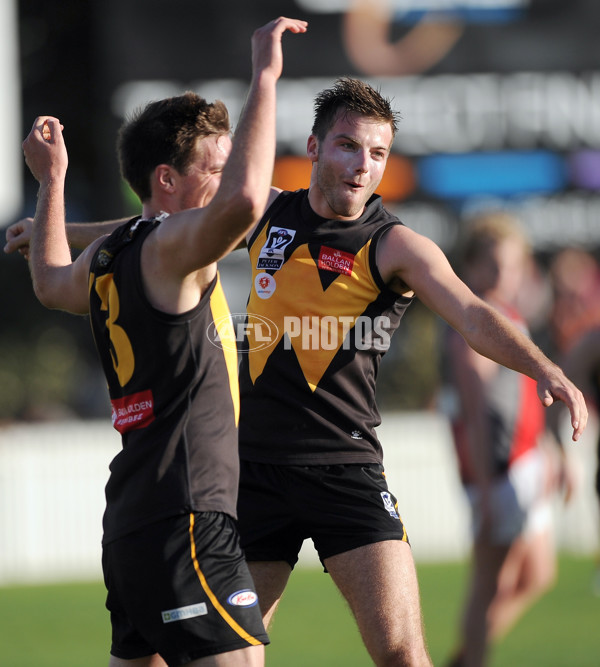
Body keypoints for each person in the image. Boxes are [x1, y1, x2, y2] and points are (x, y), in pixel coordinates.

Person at [7, 78, 588, 667]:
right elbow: (151, 234)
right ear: (313, 147)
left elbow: (472, 313)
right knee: (197, 653)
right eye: (347, 146)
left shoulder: (394, 245)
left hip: (346, 470)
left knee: (403, 654)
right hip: (252, 474)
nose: (363, 167)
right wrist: (59, 234)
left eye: (379, 153)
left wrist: (543, 367)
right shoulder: (266, 214)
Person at [19, 16, 307, 667]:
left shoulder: (115, 253)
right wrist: (265, 74)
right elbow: (241, 205)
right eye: (216, 165)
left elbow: (48, 280)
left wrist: (52, 184)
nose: (231, 178)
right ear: (166, 181)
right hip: (187, 516)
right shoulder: (171, 248)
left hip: (133, 522)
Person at [443, 213, 576, 667]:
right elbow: (475, 413)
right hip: (495, 470)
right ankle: (472, 659)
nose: (506, 276)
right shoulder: (470, 329)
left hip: (526, 461)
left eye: (514, 266)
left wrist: (554, 455)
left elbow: (530, 402)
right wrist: (481, 488)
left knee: (539, 574)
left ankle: (464, 657)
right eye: (496, 265)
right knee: (488, 584)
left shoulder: (514, 316)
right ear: (475, 268)